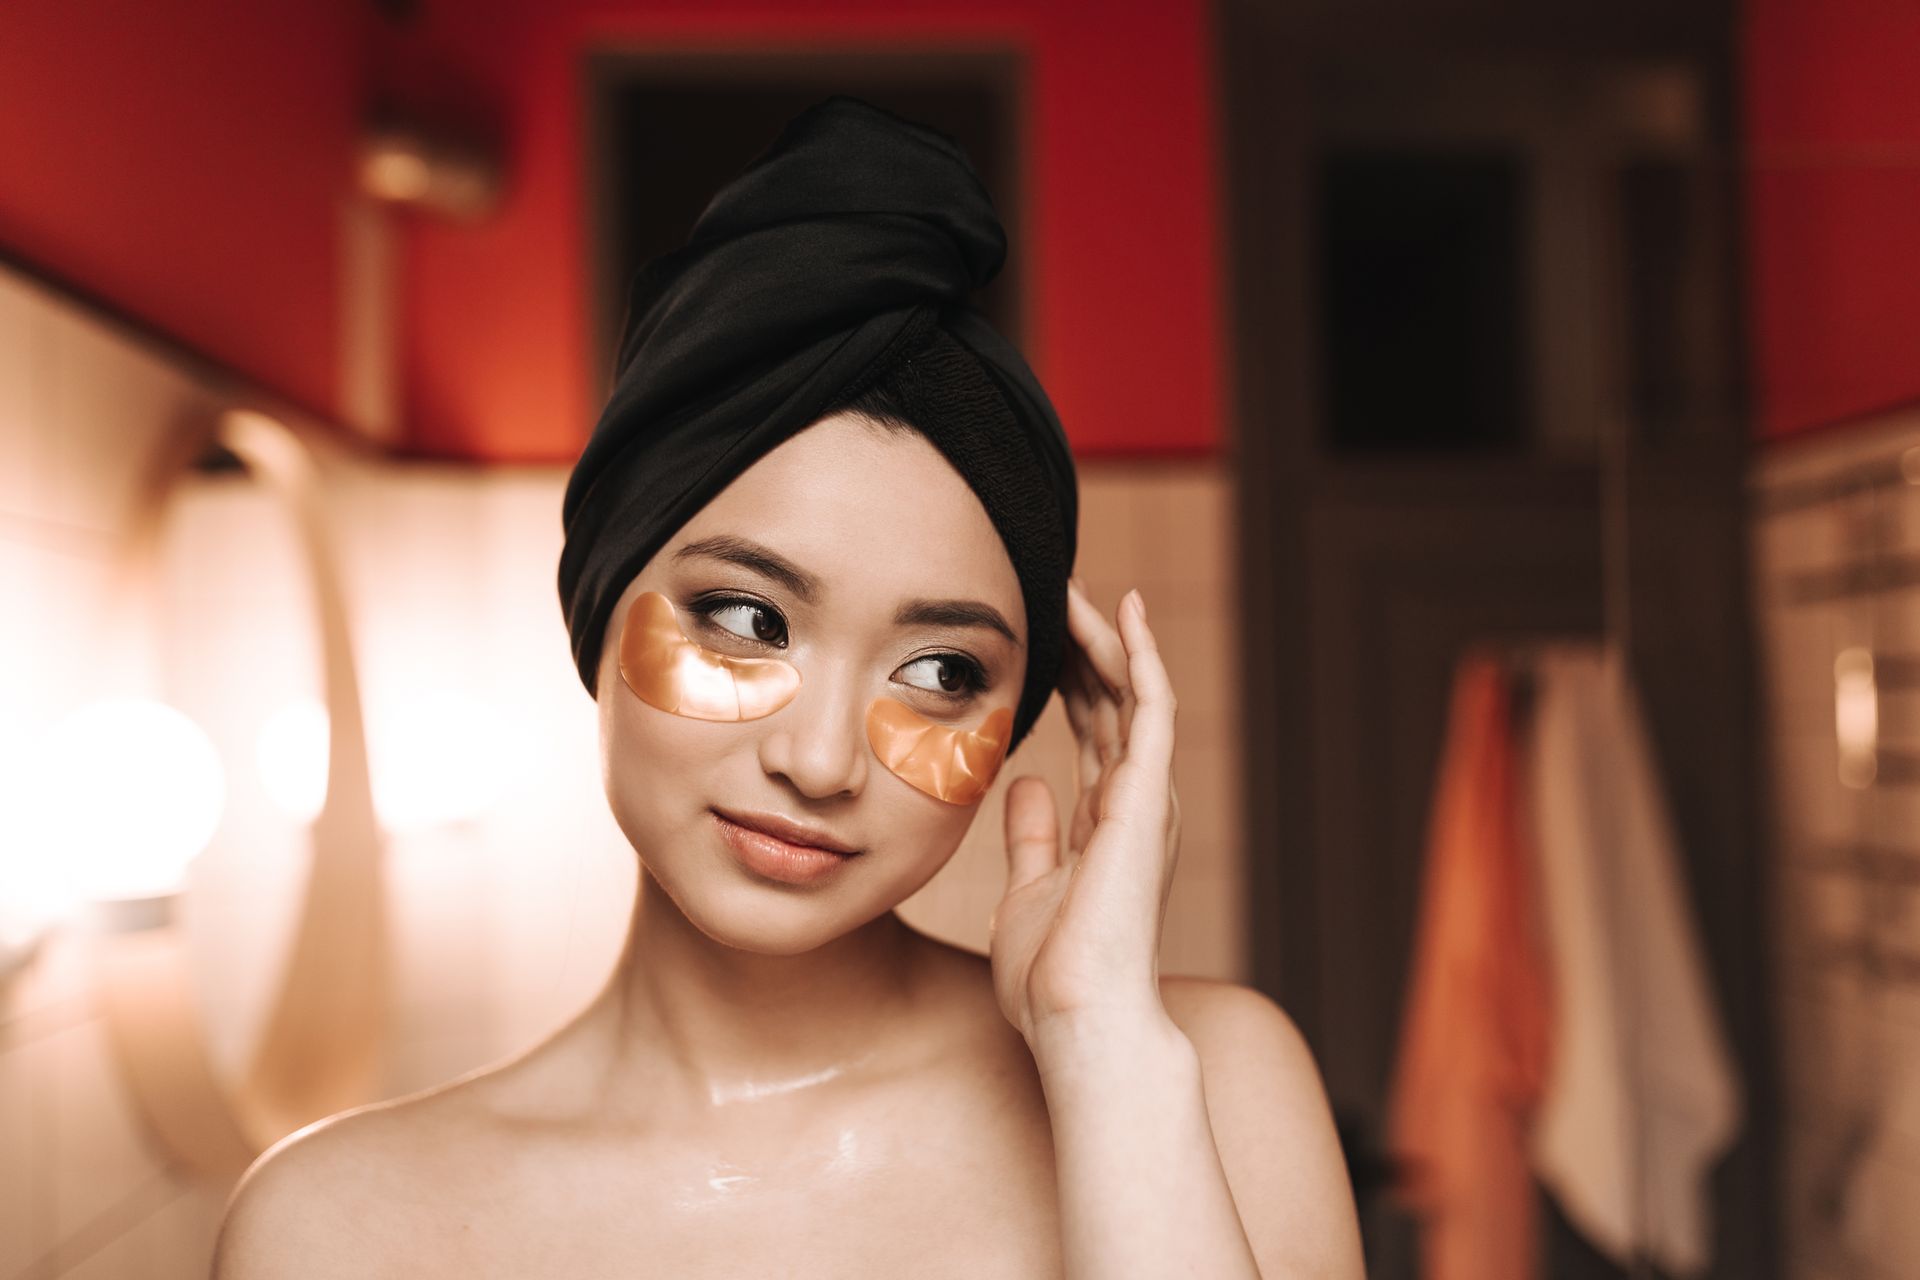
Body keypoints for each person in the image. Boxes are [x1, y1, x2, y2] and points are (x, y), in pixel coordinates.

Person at [211, 96, 1364, 1278]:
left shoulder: (1212, 1087)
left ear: (1020, 715)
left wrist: (1101, 1050)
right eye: (749, 619)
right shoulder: (337, 1228)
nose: (819, 761)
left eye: (939, 671)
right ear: (602, 604)